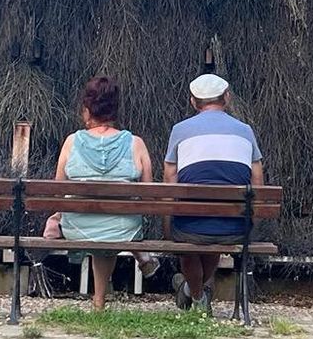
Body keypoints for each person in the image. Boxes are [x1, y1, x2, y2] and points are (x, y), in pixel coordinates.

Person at [164, 74, 264, 315]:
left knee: (189, 239)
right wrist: (254, 220)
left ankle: (195, 295)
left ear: (193, 102)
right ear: (226, 98)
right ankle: (193, 293)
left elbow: (169, 180)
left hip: (191, 226)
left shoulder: (180, 130)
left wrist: (167, 223)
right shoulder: (245, 131)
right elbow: (258, 181)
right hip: (235, 228)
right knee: (213, 233)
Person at [54, 76, 156, 311]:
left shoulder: (71, 142)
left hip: (77, 226)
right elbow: (149, 196)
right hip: (123, 228)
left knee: (101, 227)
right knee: (113, 226)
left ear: (87, 110)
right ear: (114, 110)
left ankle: (99, 300)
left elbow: (58, 189)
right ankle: (139, 255)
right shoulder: (135, 143)